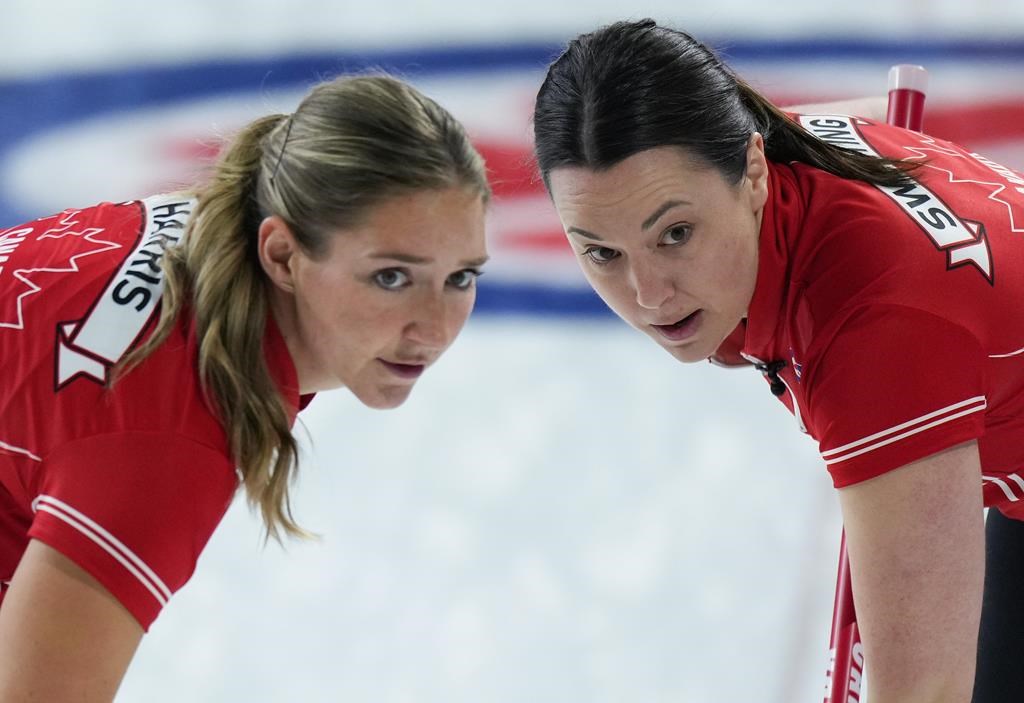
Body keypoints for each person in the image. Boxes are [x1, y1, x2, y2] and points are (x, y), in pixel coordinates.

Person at [533, 19, 1024, 703]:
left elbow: (928, 691)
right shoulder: (776, 149)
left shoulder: (874, 339)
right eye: (601, 254)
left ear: (754, 171)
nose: (648, 295)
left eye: (675, 235)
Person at [0, 73, 490, 700]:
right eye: (391, 277)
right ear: (282, 255)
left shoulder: (201, 233)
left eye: (462, 276)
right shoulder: (168, 439)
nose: (436, 328)